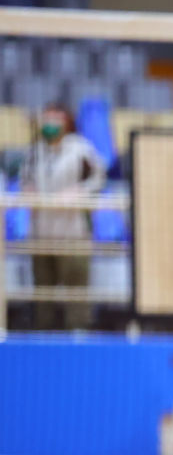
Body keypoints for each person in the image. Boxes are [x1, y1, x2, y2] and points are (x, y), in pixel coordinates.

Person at [19, 102, 106, 330]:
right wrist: (28, 190)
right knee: (42, 290)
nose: (51, 122)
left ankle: (78, 333)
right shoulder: (35, 151)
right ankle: (42, 332)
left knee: (76, 290)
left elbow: (98, 178)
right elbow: (25, 180)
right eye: (47, 117)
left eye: (56, 117)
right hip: (41, 233)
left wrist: (80, 191)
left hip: (73, 232)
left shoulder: (81, 149)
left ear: (66, 121)